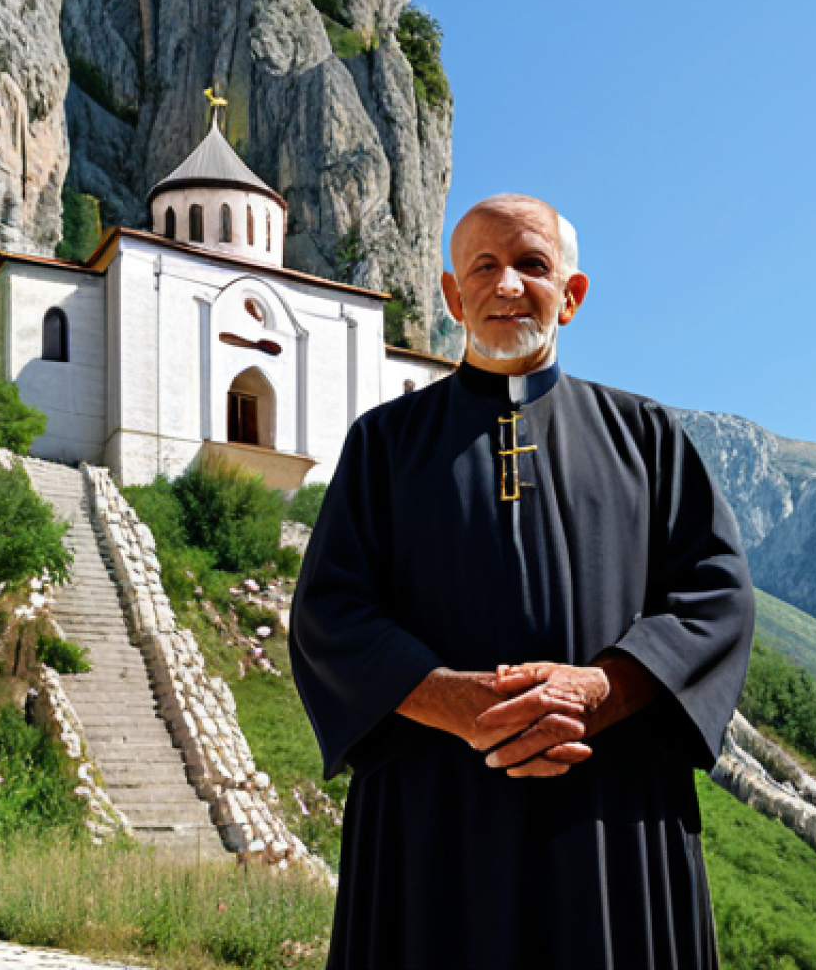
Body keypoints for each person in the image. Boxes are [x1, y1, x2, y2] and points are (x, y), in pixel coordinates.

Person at [290, 194, 755, 969]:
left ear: (569, 296)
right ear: (451, 295)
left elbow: (716, 598)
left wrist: (600, 690)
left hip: (611, 813)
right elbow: (329, 614)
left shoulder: (647, 438)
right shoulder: (383, 445)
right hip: (432, 811)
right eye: (485, 266)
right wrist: (455, 702)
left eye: (532, 265)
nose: (507, 284)